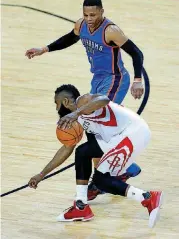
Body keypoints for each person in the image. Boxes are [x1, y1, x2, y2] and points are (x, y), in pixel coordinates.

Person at [25, 0, 144, 199]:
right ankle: (122, 169)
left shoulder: (111, 31)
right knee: (95, 127)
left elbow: (136, 53)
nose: (89, 19)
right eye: (86, 14)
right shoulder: (81, 25)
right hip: (97, 78)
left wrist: (138, 79)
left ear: (102, 12)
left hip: (115, 79)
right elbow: (70, 38)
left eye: (93, 15)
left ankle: (108, 174)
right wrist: (44, 49)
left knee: (100, 125)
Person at [28, 84, 163, 228]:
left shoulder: (83, 101)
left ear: (66, 102)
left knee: (100, 180)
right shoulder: (78, 119)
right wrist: (41, 174)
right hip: (118, 137)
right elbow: (67, 148)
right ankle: (81, 206)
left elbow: (103, 99)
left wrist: (76, 113)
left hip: (134, 133)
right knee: (82, 152)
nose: (56, 109)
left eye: (57, 103)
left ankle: (148, 197)